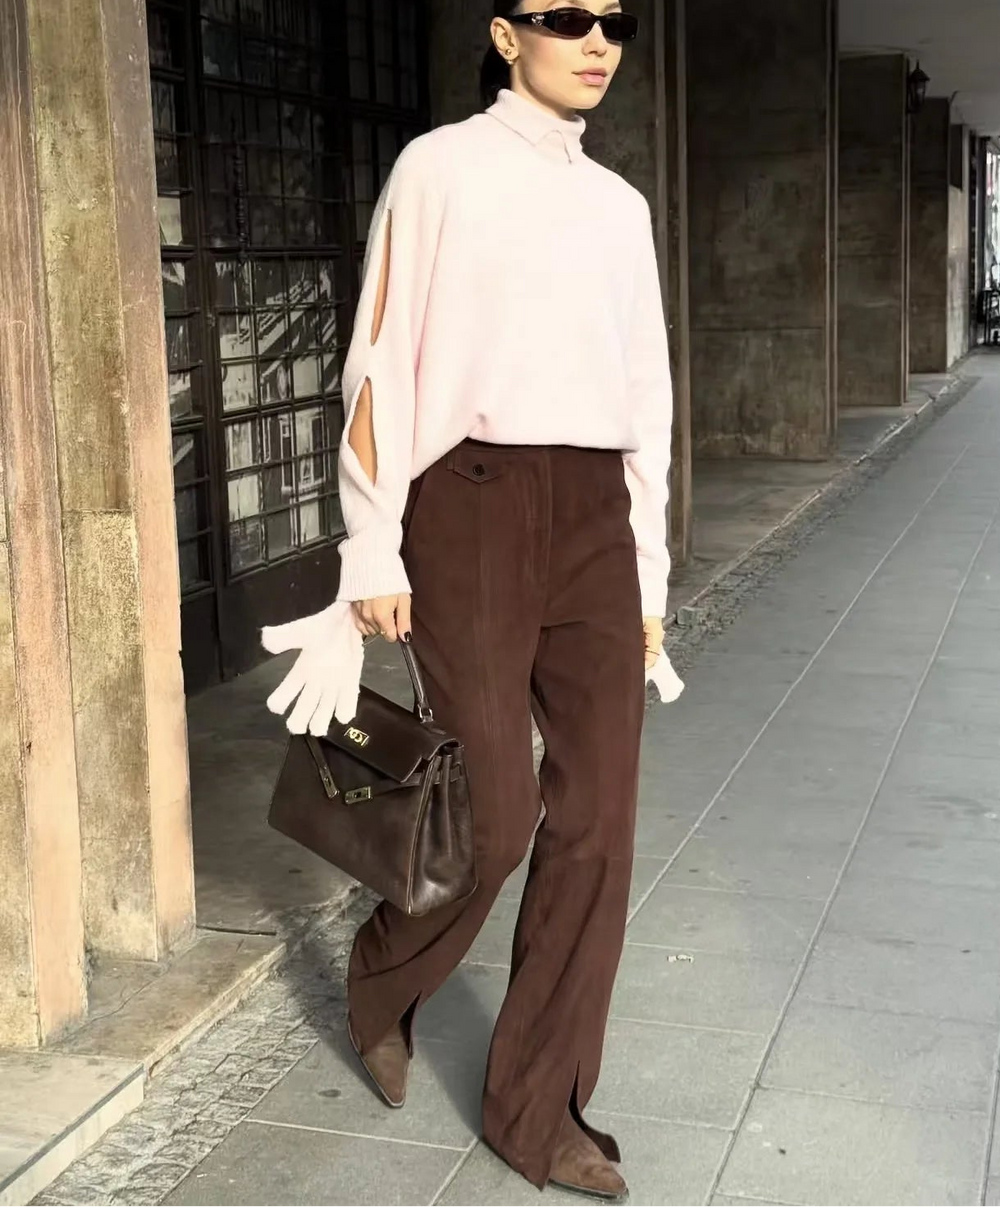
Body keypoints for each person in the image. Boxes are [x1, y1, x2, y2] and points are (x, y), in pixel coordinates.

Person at [263, 2, 677, 1199]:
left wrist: (648, 569)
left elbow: (646, 396)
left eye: (616, 21)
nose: (596, 42)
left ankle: (536, 1112)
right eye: (567, 18)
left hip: (594, 514)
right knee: (493, 817)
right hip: (470, 501)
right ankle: (384, 972)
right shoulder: (438, 169)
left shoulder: (621, 206)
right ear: (505, 36)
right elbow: (378, 359)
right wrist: (371, 544)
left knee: (599, 820)